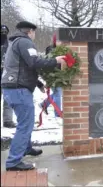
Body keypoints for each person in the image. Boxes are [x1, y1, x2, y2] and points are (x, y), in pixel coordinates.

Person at [1, 21, 67, 171]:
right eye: (34, 32)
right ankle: (13, 162)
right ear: (30, 31)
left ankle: (25, 148)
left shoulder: (15, 43)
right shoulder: (24, 41)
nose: (34, 35)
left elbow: (21, 67)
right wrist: (56, 61)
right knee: (25, 125)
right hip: (18, 90)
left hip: (13, 88)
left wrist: (38, 83)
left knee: (26, 122)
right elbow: (34, 62)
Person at [39, 33, 63, 121]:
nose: (60, 42)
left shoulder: (64, 50)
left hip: (60, 75)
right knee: (58, 93)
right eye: (58, 41)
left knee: (57, 93)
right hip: (53, 75)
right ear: (54, 41)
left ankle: (44, 104)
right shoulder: (50, 49)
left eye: (61, 41)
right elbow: (49, 62)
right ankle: (57, 113)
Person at [1, 24, 16, 128]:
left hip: (7, 74)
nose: (3, 33)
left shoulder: (11, 45)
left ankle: (7, 120)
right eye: (2, 31)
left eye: (5, 31)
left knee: (8, 98)